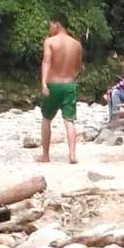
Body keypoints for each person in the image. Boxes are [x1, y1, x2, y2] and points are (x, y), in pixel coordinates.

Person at [39, 16, 83, 164]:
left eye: (50, 25)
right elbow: (77, 66)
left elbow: (47, 61)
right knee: (69, 120)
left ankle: (45, 155)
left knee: (46, 119)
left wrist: (44, 82)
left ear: (57, 24)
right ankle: (72, 155)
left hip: (53, 84)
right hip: (70, 84)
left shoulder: (50, 42)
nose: (49, 28)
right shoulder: (76, 44)